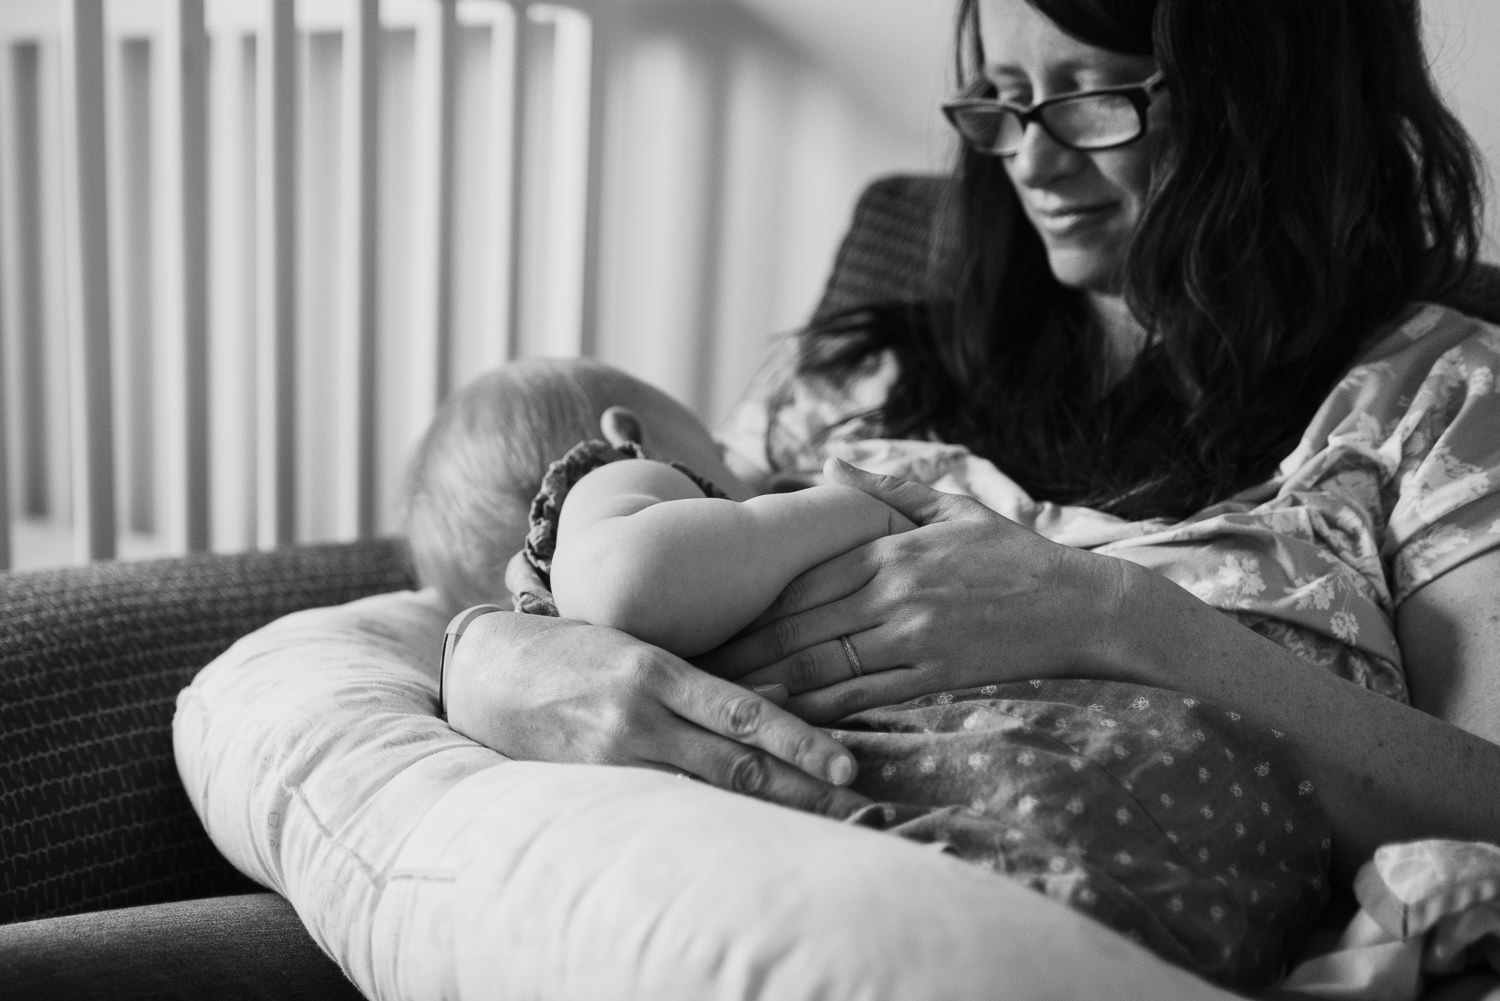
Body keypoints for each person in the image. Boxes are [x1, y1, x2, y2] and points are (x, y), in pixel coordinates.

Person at [439, 0, 1500, 951]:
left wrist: (1111, 614)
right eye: (999, 100)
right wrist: (489, 654)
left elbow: (1485, 799)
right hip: (790, 890)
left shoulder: (1446, 397)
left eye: (1093, 100)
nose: (1029, 160)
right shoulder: (856, 373)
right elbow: (626, 553)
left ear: (1276, 94)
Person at [405, 359, 1330, 986]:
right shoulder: (614, 479)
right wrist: (847, 511)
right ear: (631, 432)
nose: (746, 474)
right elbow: (633, 579)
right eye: (718, 463)